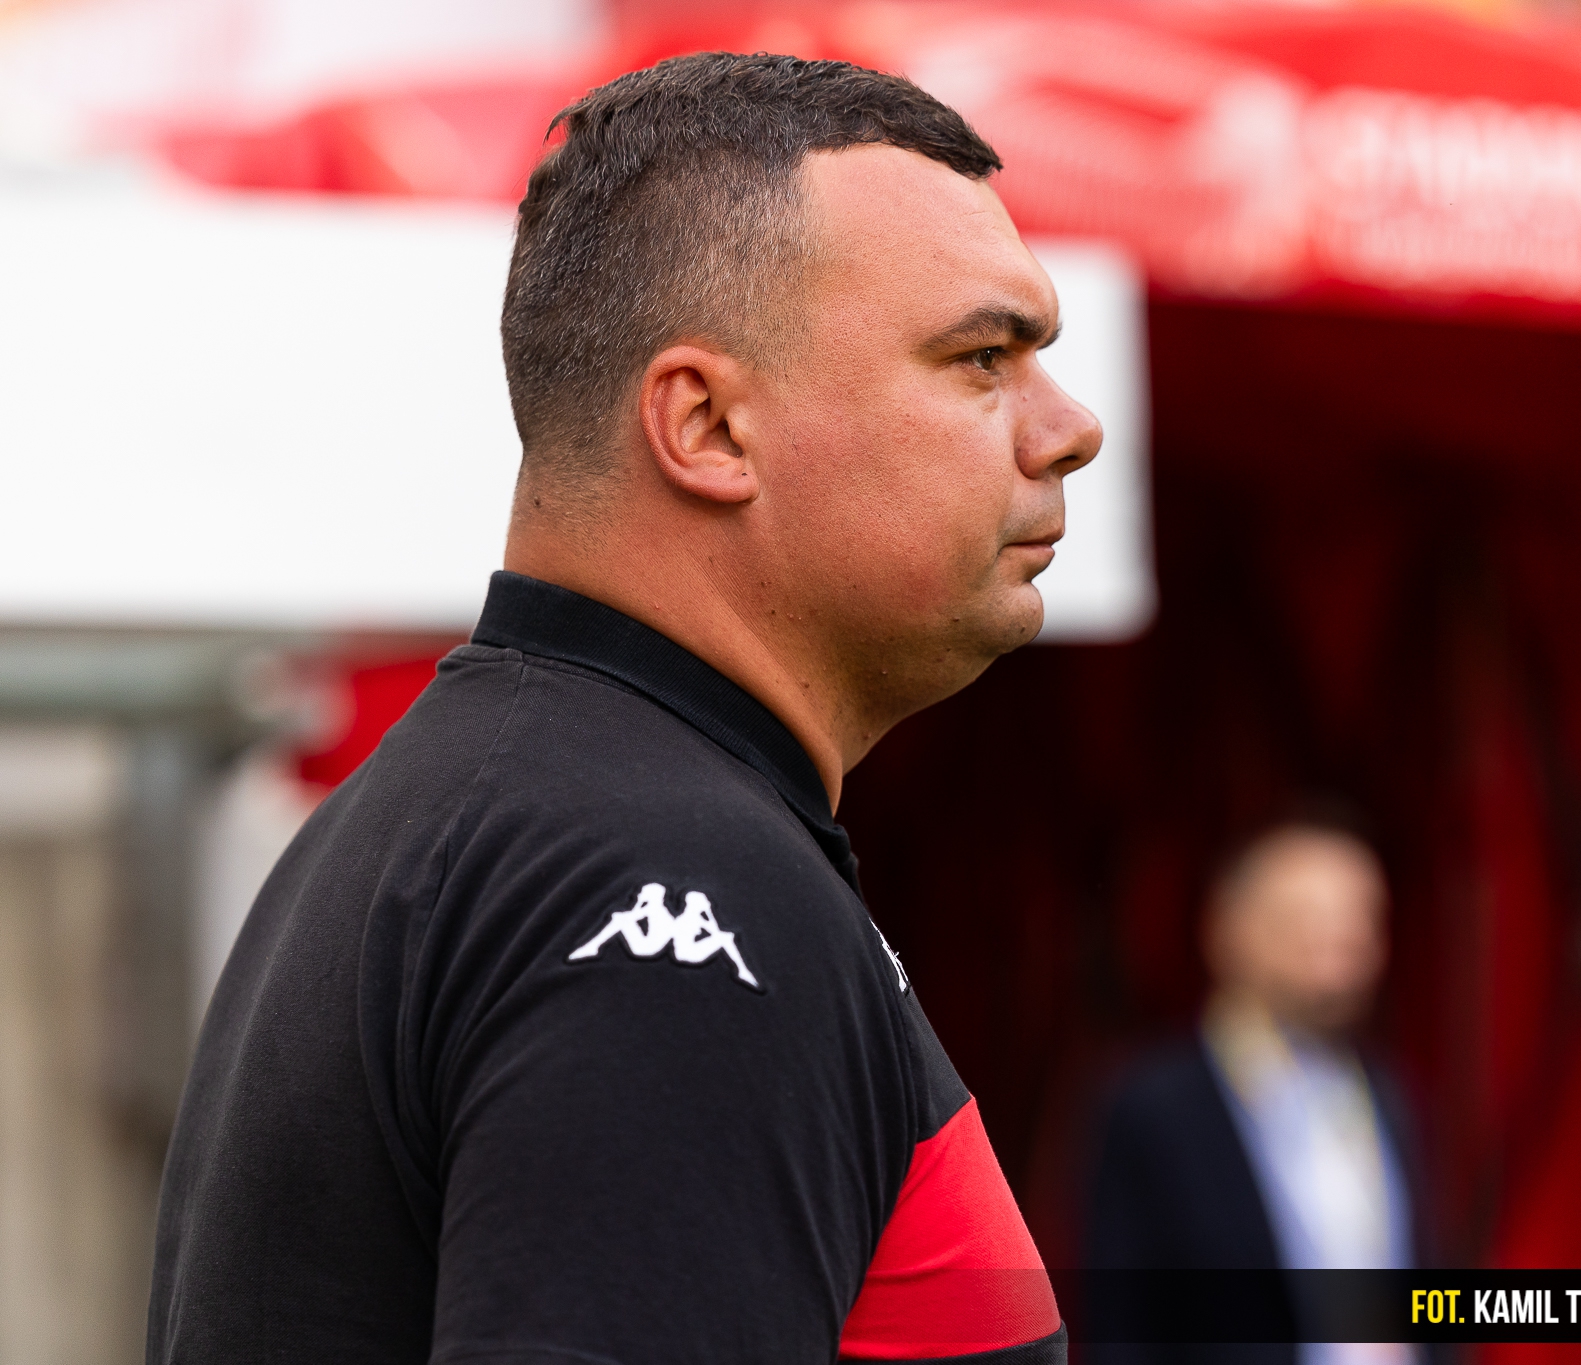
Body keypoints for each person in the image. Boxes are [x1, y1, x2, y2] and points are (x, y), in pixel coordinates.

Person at [148, 52, 1099, 1364]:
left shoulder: (450, 821)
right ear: (705, 427)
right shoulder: (669, 883)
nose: (1070, 427)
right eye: (981, 356)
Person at [1085, 823, 1423, 1364]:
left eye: (1360, 918)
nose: (1340, 940)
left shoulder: (1388, 1096)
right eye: (1306, 918)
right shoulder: (1156, 1109)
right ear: (1227, 930)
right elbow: (1123, 1324)